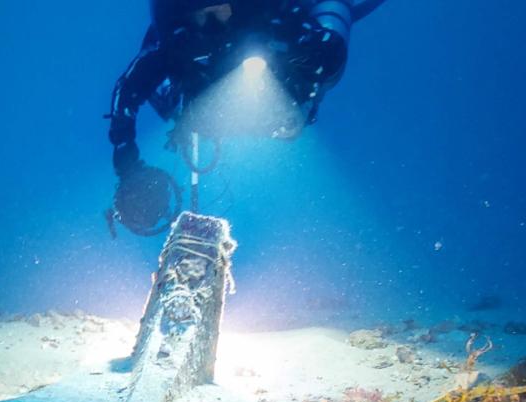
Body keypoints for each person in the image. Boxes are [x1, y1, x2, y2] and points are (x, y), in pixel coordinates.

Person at [105, 0, 387, 236]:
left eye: (220, 10)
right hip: (201, 112)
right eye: (202, 16)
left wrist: (317, 52)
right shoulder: (175, 39)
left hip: (278, 95)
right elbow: (128, 90)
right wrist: (128, 166)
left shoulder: (272, 18)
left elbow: (329, 41)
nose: (213, 24)